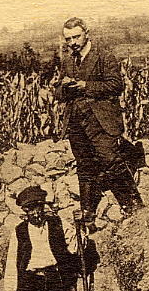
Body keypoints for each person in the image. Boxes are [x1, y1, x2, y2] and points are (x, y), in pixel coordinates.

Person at [56, 17, 143, 231]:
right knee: (84, 166)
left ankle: (133, 206)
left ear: (86, 33)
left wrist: (86, 85)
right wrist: (64, 88)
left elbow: (116, 85)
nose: (73, 42)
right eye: (69, 39)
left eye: (76, 36)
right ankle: (87, 213)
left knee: (110, 160)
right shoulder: (67, 61)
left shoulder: (103, 56)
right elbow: (58, 93)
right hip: (76, 121)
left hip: (101, 120)